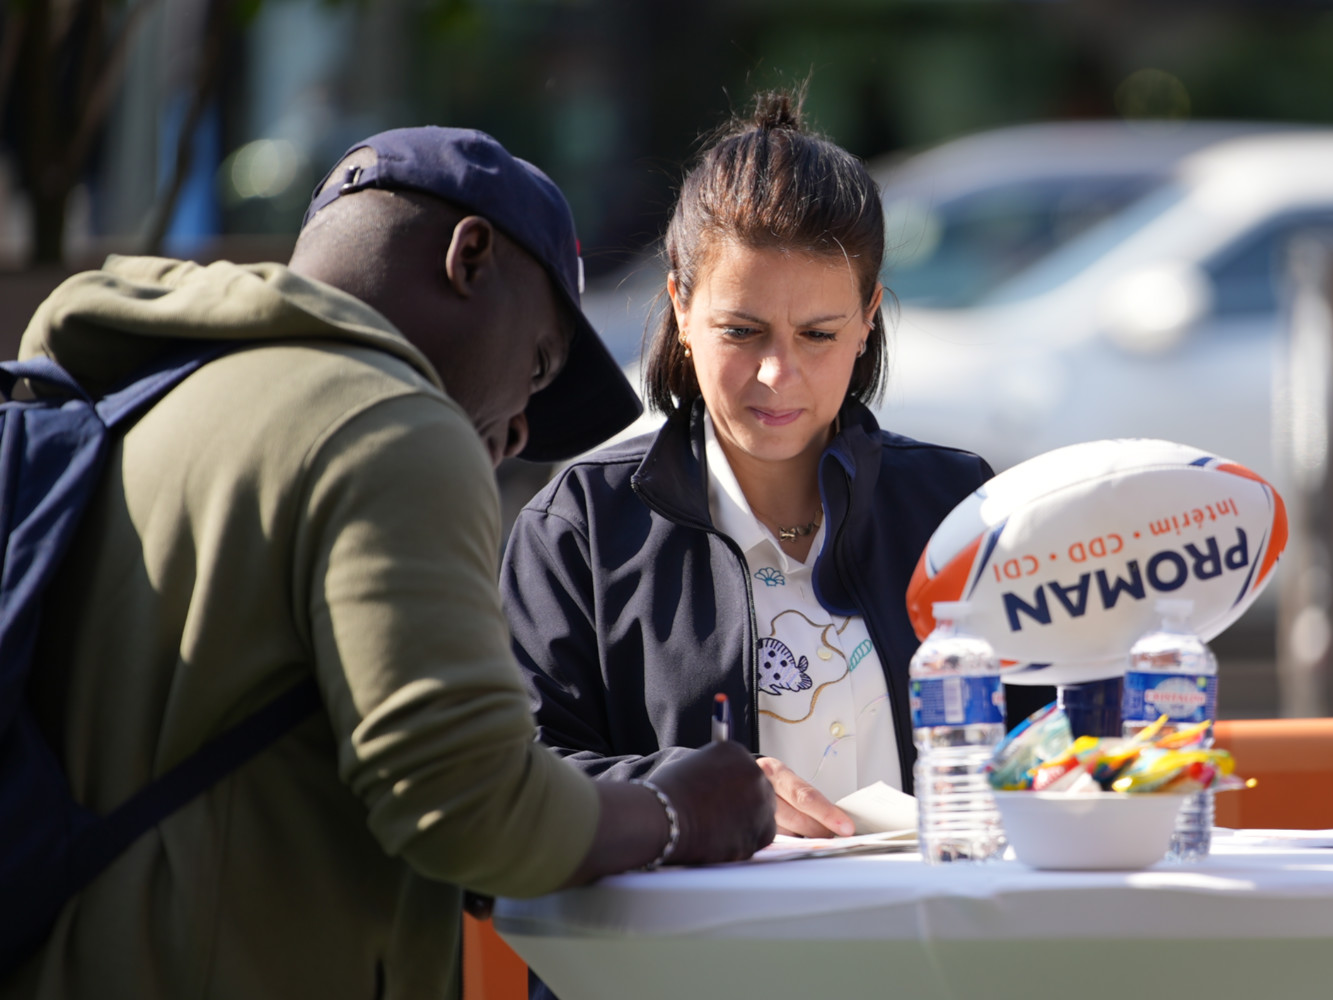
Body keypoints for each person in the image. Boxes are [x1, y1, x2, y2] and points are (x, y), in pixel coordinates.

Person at [4, 127, 775, 1000]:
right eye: (538, 363)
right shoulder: (388, 426)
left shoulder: (140, 397)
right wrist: (683, 812)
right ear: (470, 257)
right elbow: (468, 807)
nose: (520, 429)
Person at [502, 91, 993, 840]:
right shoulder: (581, 530)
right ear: (682, 310)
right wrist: (688, 795)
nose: (777, 374)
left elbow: (1054, 747)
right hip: (688, 956)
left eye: (819, 334)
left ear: (869, 322)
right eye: (743, 330)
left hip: (929, 949)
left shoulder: (960, 509)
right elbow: (516, 780)